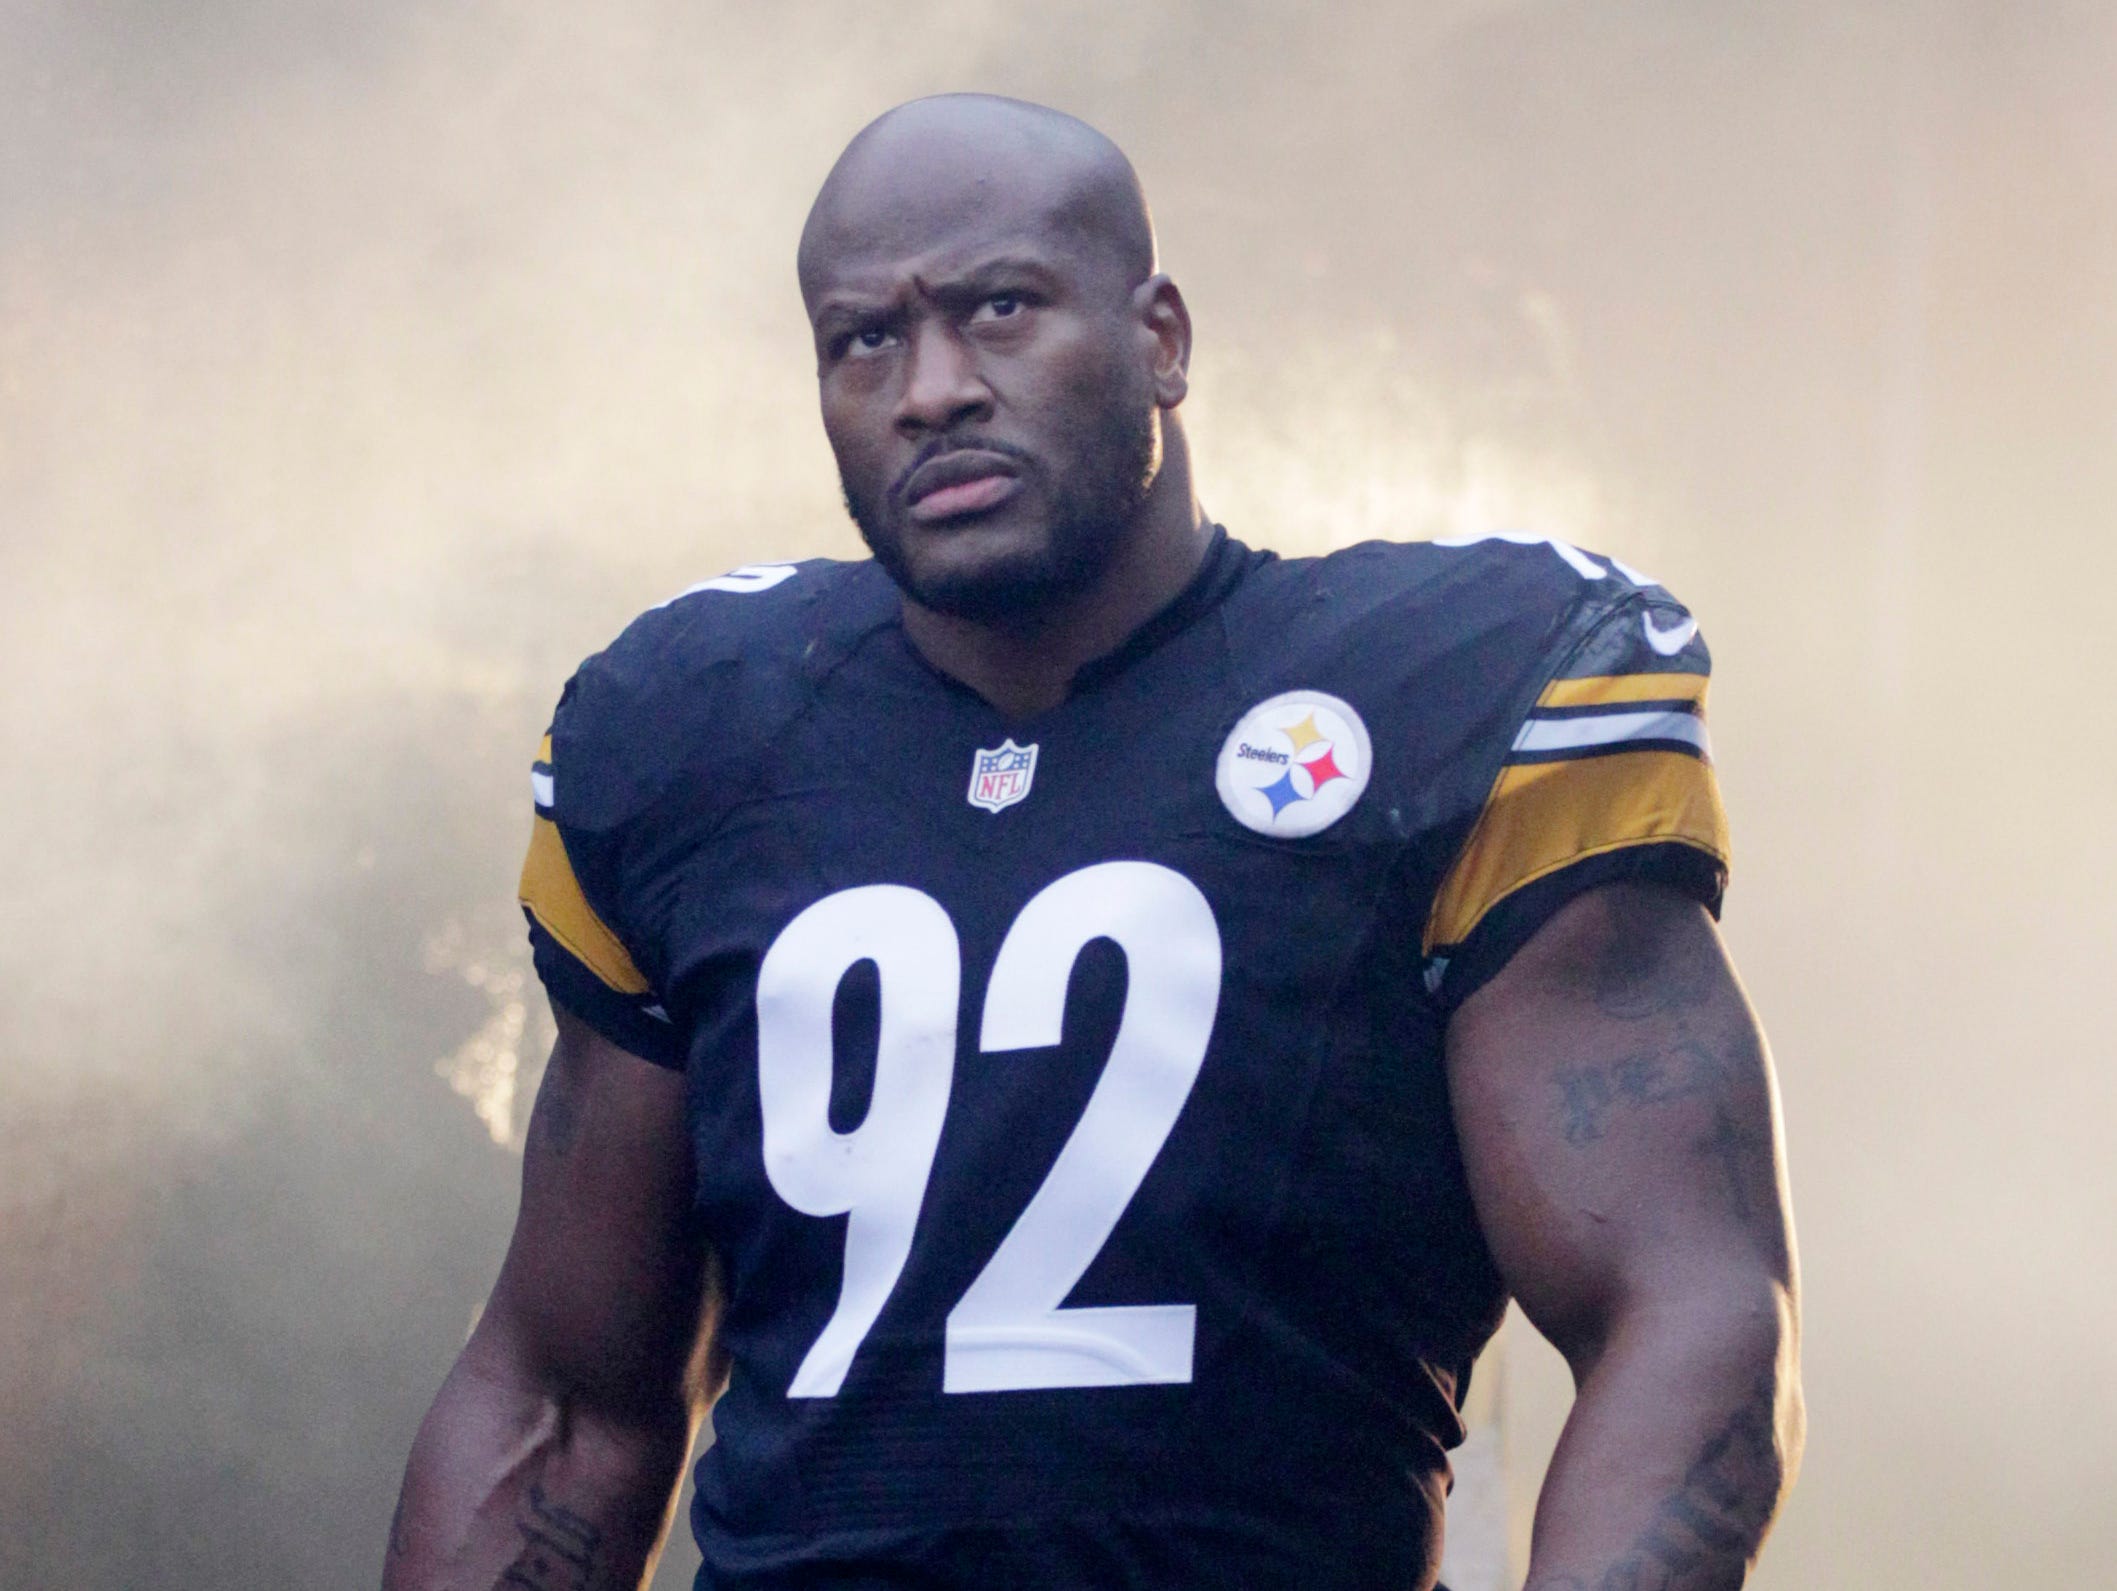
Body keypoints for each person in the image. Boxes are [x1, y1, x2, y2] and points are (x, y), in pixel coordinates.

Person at [383, 94, 1802, 1591]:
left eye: (1000, 308)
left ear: (1161, 339)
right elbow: (566, 1406)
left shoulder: (1456, 690)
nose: (932, 389)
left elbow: (1683, 1308)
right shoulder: (692, 738)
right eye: (865, 340)